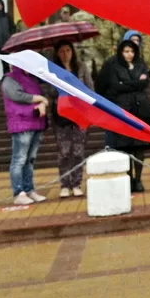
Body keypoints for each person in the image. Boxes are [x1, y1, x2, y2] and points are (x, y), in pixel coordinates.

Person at [98, 34, 150, 191]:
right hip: (123, 112)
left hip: (140, 111)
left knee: (140, 147)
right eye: (126, 51)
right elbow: (115, 86)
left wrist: (127, 83)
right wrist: (136, 83)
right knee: (125, 147)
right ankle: (129, 178)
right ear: (121, 52)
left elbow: (145, 83)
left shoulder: (141, 64)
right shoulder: (114, 66)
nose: (129, 54)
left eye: (132, 51)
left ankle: (138, 179)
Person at [1, 62, 49, 205]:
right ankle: (18, 192)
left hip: (36, 122)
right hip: (21, 124)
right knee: (19, 159)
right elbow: (17, 95)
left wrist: (43, 103)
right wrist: (40, 99)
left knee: (30, 159)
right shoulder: (10, 79)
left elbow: (42, 96)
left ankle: (29, 189)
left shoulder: (32, 79)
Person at [50, 41, 90, 197]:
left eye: (68, 50)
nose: (65, 54)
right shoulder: (53, 70)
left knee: (78, 151)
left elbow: (89, 88)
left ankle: (77, 183)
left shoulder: (81, 67)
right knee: (64, 152)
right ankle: (65, 184)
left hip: (79, 114)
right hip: (62, 115)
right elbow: (50, 91)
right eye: (61, 51)